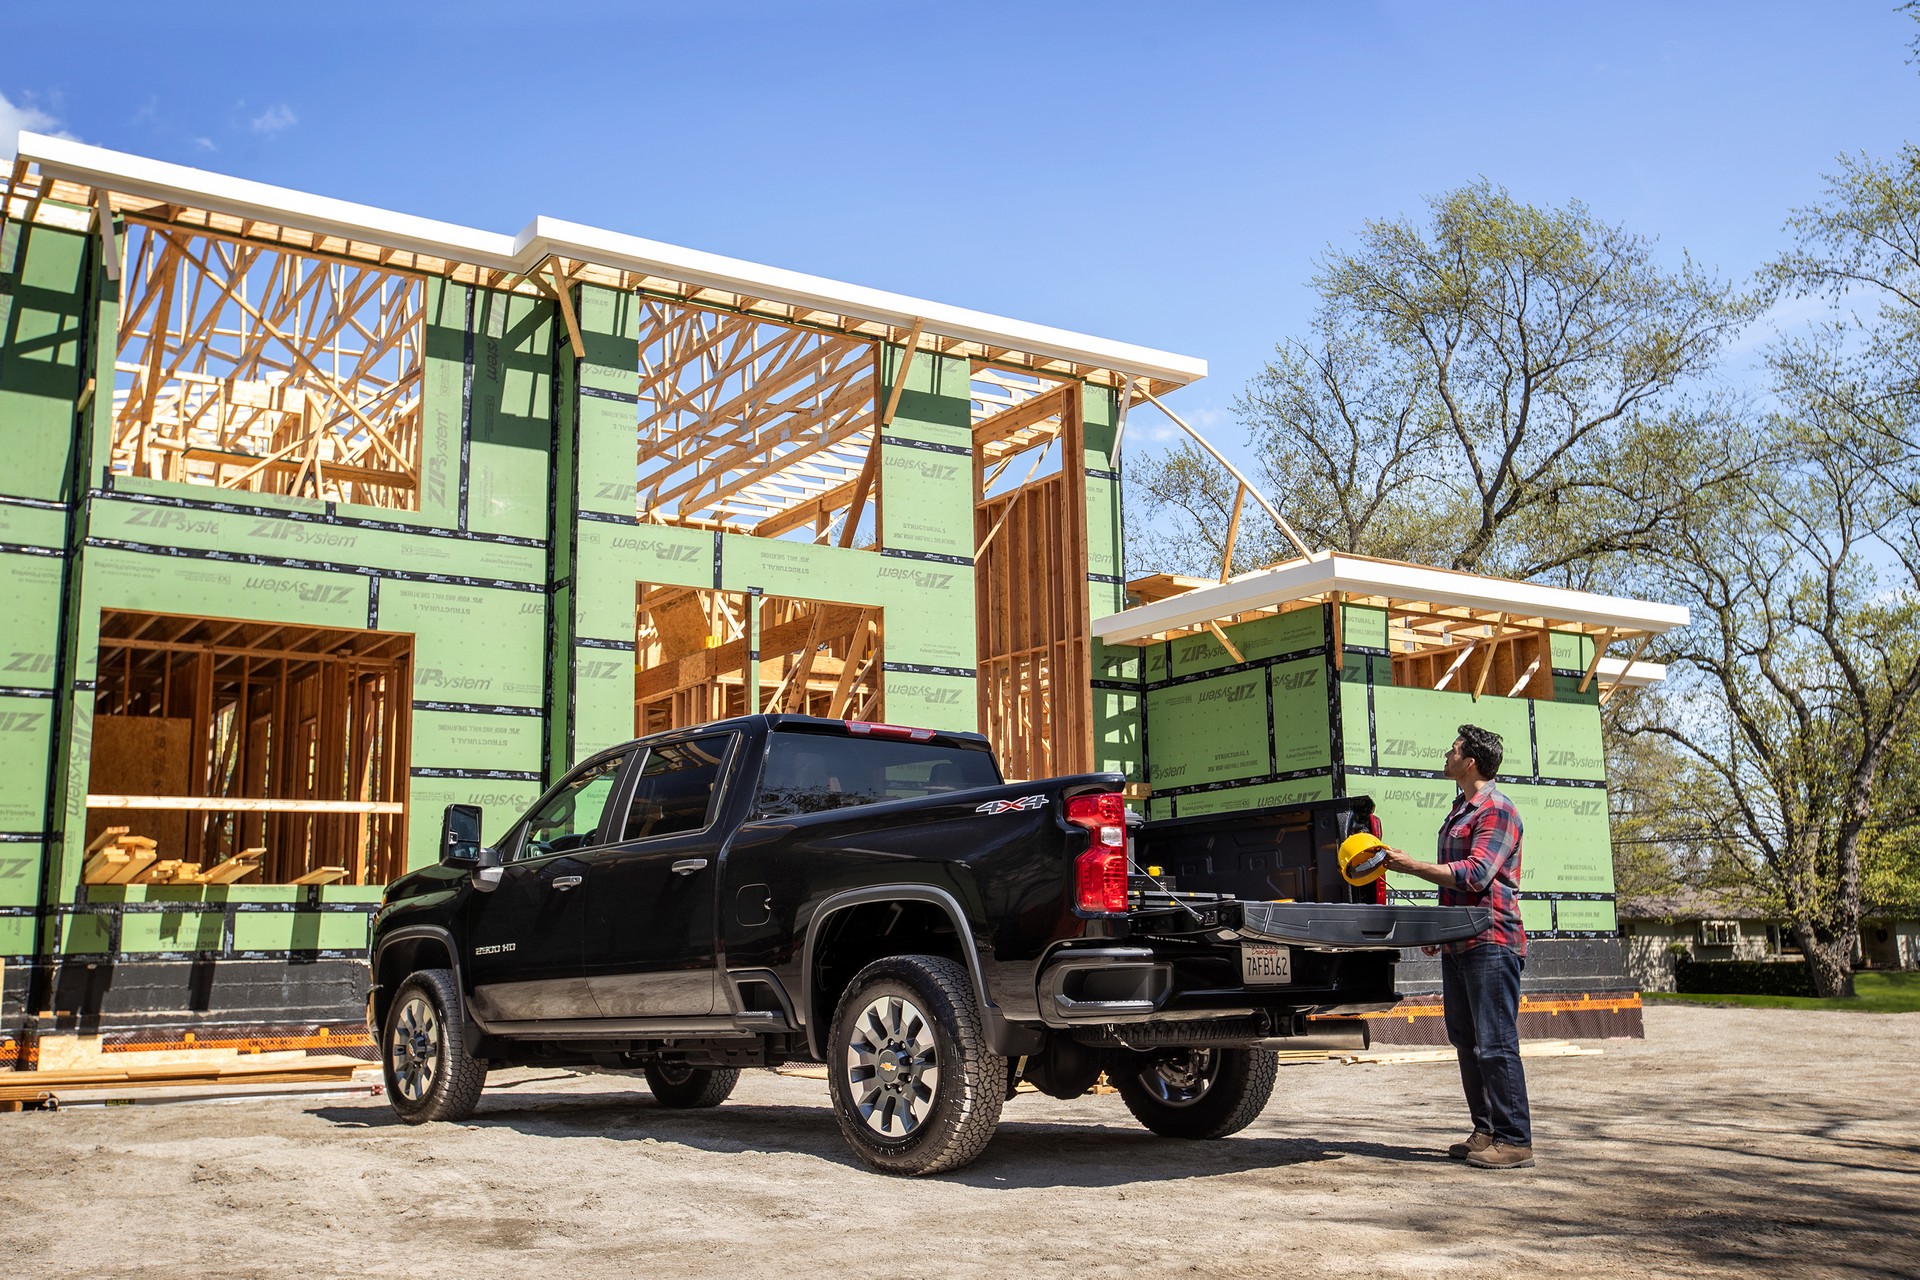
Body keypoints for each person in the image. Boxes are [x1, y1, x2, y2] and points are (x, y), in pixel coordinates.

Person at [1380, 724, 1534, 1170]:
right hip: (1460, 941)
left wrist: (1412, 867)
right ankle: (1485, 1131)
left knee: (1496, 1042)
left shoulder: (1497, 809)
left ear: (1470, 762)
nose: (1446, 756)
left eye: (1453, 750)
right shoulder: (1459, 808)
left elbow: (1477, 873)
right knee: (1466, 1040)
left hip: (1492, 939)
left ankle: (1515, 1139)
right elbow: (1458, 880)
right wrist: (1442, 929)